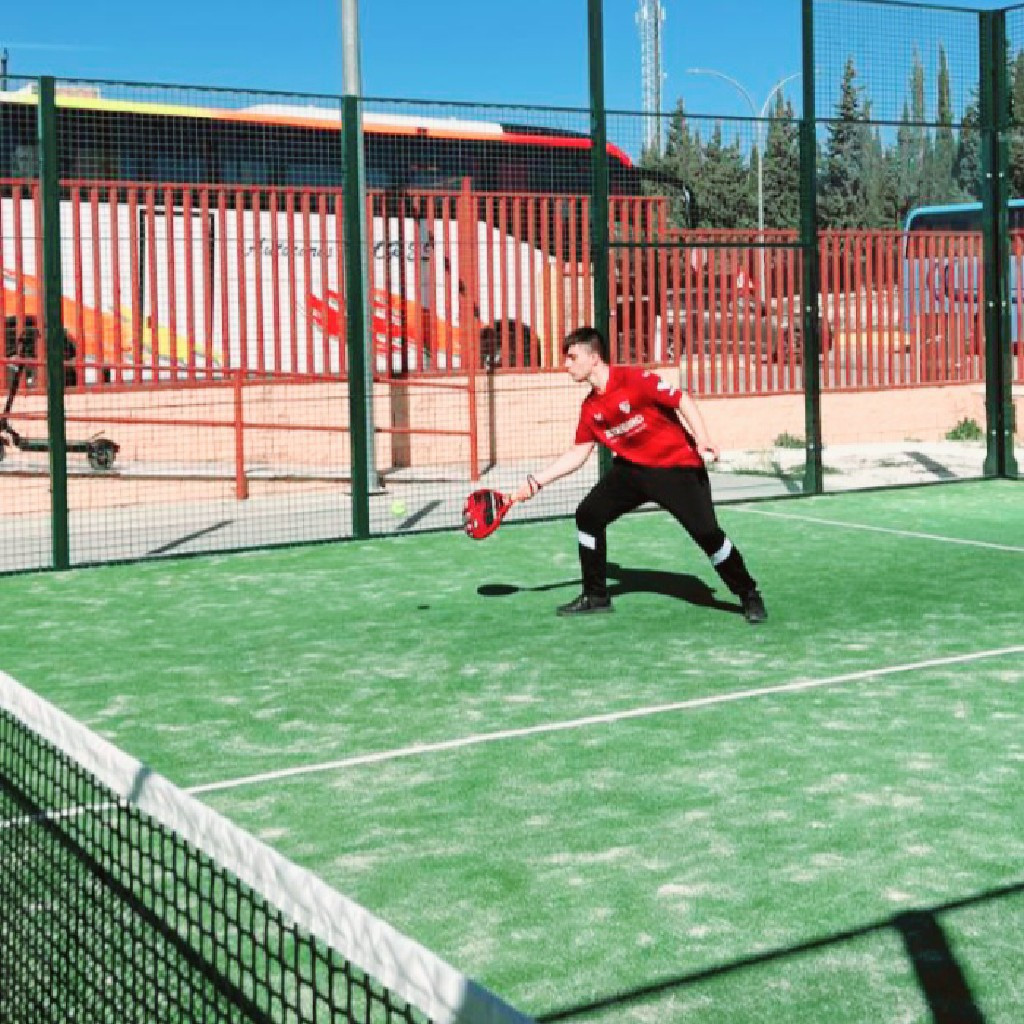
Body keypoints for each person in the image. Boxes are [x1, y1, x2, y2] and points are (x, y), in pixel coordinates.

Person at [510, 325, 767, 623]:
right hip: (632, 471)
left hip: (676, 467)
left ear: (594, 358)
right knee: (588, 515)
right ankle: (595, 595)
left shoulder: (635, 380)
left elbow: (681, 399)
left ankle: (749, 594)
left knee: (708, 534)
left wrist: (702, 438)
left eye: (572, 357)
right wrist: (535, 483)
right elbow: (578, 452)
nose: (566, 365)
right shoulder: (590, 407)